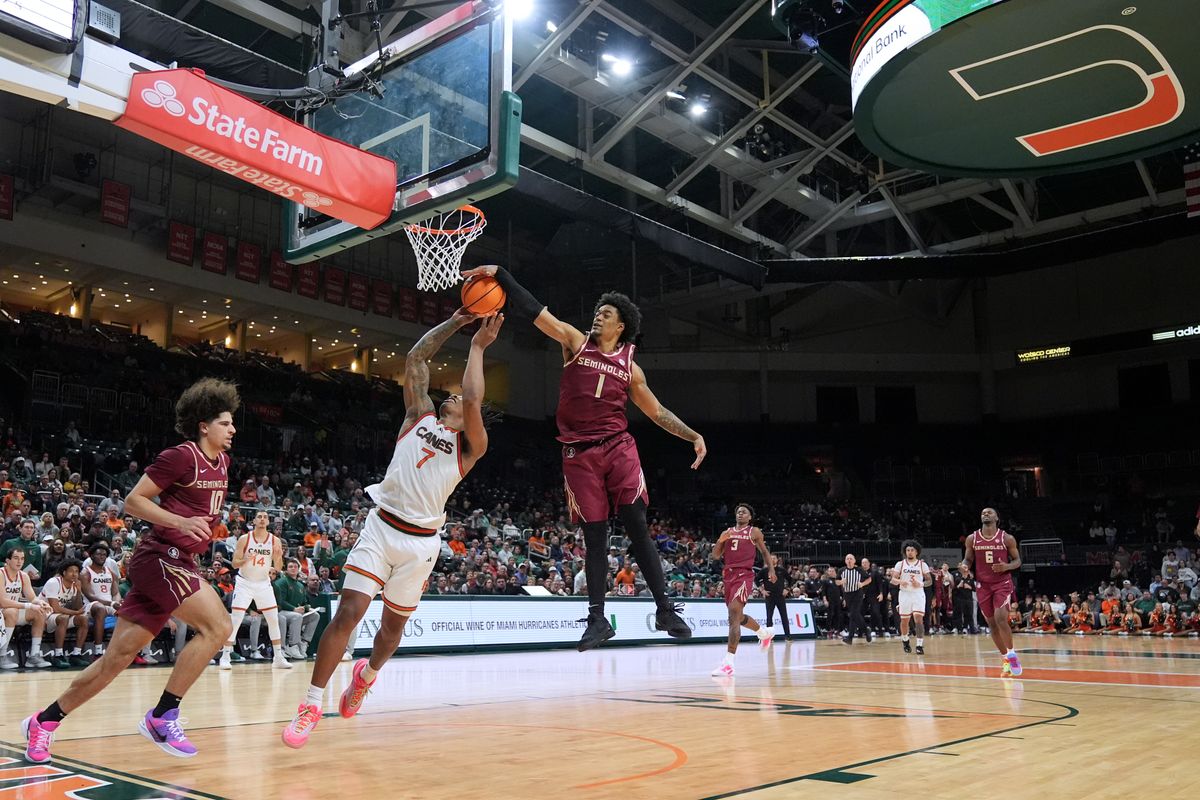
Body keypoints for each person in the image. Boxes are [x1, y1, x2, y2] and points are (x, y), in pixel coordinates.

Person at [282, 312, 503, 749]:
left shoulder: (470, 448)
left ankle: (366, 676)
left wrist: (478, 347)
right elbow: (416, 358)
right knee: (348, 613)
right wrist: (456, 322)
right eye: (452, 395)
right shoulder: (418, 416)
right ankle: (310, 704)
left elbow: (474, 400)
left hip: (420, 546)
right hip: (381, 529)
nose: (453, 397)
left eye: (458, 398)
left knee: (390, 631)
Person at [463, 265, 702, 650]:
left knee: (636, 523)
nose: (597, 316)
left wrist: (692, 436)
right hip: (579, 454)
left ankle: (664, 609)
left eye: (605, 313)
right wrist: (502, 274)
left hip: (618, 446)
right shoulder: (575, 341)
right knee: (595, 536)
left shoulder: (631, 367)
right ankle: (597, 619)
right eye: (596, 311)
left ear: (620, 326)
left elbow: (657, 412)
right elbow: (535, 310)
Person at [22, 378, 240, 763]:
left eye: (232, 422)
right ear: (204, 426)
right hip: (160, 558)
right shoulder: (181, 456)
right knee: (219, 626)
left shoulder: (223, 461)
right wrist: (180, 522)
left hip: (181, 562)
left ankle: (43, 722)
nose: (232, 429)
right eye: (225, 422)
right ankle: (163, 715)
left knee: (116, 660)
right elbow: (133, 502)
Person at [710, 504, 775, 676]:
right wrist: (721, 540)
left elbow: (765, 552)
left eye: (744, 512)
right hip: (728, 575)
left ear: (750, 517)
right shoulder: (728, 532)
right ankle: (763, 633)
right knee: (737, 617)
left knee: (733, 612)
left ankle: (728, 663)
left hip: (744, 575)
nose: (740, 513)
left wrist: (771, 570)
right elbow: (715, 556)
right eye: (738, 511)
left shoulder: (754, 532)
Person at [219, 510, 288, 669]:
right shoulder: (245, 539)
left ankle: (278, 657)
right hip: (245, 583)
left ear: (268, 522)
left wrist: (279, 557)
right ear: (254, 521)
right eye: (259, 517)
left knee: (273, 619)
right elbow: (234, 563)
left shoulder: (275, 541)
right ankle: (225, 656)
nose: (262, 519)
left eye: (265, 517)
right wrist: (245, 560)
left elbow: (278, 568)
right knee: (236, 619)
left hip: (263, 584)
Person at [963, 507, 1023, 677]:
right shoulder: (972, 538)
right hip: (983, 585)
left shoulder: (1006, 538)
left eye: (989, 512)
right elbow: (968, 559)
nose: (986, 514)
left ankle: (1012, 654)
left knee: (1000, 618)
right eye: (983, 512)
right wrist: (965, 566)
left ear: (997, 518)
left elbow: (1018, 561)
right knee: (992, 624)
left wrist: (1006, 566)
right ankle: (1005, 659)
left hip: (1002, 583)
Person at [1, 547, 52, 669]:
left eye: (22, 559)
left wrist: (41, 603)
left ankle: (34, 656)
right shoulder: (1, 574)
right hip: (3, 611)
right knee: (12, 612)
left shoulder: (23, 576)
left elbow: (32, 598)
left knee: (39, 612)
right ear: (7, 560)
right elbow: (2, 602)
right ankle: (2, 655)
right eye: (16, 558)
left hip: (11, 611)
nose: (19, 561)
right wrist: (29, 605)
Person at [39, 560, 92, 668]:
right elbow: (55, 608)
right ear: (64, 572)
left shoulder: (74, 585)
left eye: (76, 571)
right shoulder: (54, 582)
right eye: (71, 571)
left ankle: (76, 654)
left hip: (60, 617)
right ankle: (58, 655)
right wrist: (75, 612)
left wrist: (78, 591)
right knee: (64, 618)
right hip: (44, 616)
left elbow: (78, 607)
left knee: (83, 619)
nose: (74, 574)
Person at [891, 540, 931, 655]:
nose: (909, 552)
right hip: (904, 594)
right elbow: (893, 579)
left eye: (912, 550)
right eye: (907, 550)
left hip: (918, 593)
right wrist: (900, 581)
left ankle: (919, 645)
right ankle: (905, 640)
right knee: (904, 621)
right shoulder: (900, 564)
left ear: (916, 552)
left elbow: (929, 581)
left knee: (919, 619)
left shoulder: (922, 565)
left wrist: (920, 584)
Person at [836, 553, 873, 645]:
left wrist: (862, 584)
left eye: (851, 559)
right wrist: (841, 582)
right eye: (847, 559)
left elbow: (869, 579)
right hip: (847, 594)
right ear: (845, 561)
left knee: (853, 613)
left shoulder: (859, 570)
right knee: (853, 615)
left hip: (857, 593)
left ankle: (851, 636)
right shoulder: (841, 570)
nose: (849, 560)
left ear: (854, 561)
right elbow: (836, 581)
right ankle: (865, 631)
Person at [761, 553, 790, 641]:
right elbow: (756, 580)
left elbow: (791, 580)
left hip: (780, 596)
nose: (772, 560)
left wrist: (787, 589)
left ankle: (788, 636)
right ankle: (769, 637)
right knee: (769, 617)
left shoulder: (782, 570)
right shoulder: (764, 570)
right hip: (770, 596)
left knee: (784, 616)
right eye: (771, 558)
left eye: (774, 558)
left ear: (777, 560)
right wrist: (762, 590)